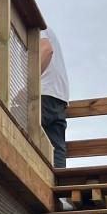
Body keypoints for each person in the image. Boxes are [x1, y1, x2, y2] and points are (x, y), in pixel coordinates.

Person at [40, 28, 70, 170]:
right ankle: (60, 181)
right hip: (59, 96)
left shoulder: (32, 24)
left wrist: (29, 84)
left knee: (19, 132)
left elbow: (46, 49)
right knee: (56, 147)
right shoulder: (48, 31)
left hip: (43, 92)